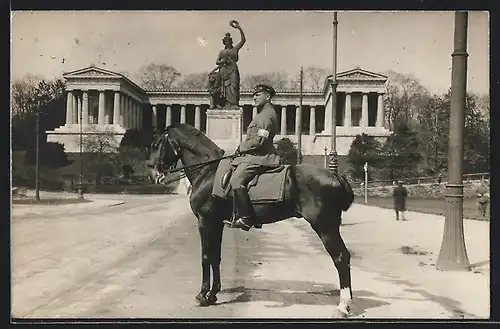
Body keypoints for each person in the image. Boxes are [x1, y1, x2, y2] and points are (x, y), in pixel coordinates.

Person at [224, 84, 280, 231]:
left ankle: (246, 218)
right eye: (253, 94)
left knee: (236, 180)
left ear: (267, 97)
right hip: (255, 155)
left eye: (258, 94)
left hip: (262, 157)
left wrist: (241, 148)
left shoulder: (267, 115)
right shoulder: (262, 114)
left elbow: (260, 141)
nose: (254, 97)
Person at [212, 20, 246, 109]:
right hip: (223, 71)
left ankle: (233, 104)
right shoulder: (222, 52)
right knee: (223, 88)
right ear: (224, 42)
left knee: (234, 86)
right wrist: (223, 62)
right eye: (226, 41)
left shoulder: (235, 49)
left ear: (231, 41)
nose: (227, 42)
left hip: (233, 69)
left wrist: (239, 27)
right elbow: (217, 62)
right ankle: (225, 104)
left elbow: (243, 40)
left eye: (229, 41)